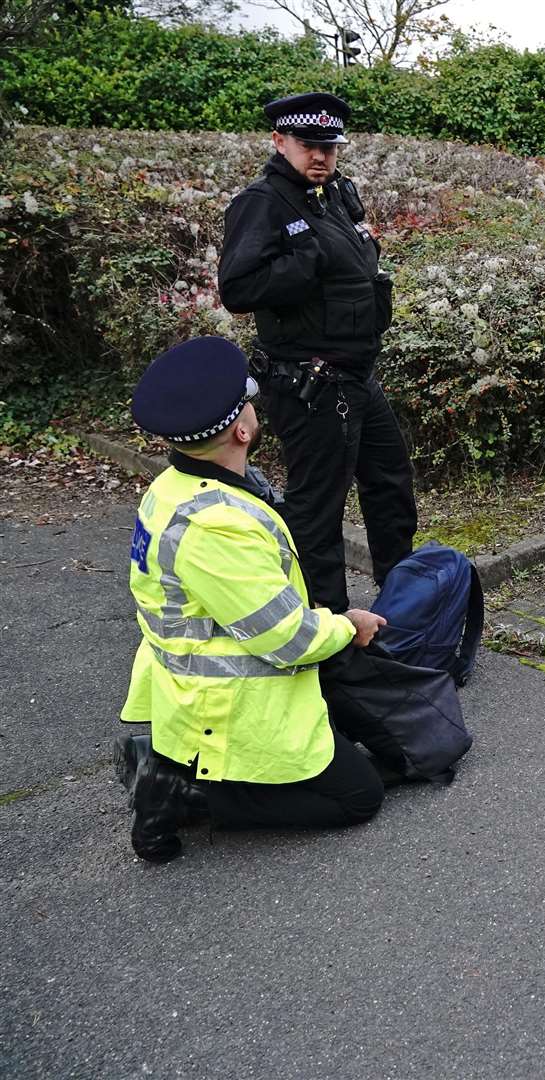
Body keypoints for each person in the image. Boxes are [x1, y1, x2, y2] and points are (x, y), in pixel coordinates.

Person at [117, 337, 387, 863]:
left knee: (352, 741)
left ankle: (171, 766)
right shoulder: (218, 527)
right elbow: (284, 637)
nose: (253, 408)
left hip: (185, 683)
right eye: (249, 404)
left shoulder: (170, 487)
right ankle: (179, 791)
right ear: (242, 430)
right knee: (359, 795)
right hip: (230, 700)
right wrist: (347, 625)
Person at [218, 90, 416, 614]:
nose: (321, 156)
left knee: (391, 488)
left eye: (329, 146)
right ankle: (329, 634)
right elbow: (236, 289)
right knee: (318, 513)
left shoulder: (336, 195)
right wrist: (303, 262)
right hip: (310, 385)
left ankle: (399, 613)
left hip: (357, 376)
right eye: (308, 145)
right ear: (279, 140)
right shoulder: (261, 202)